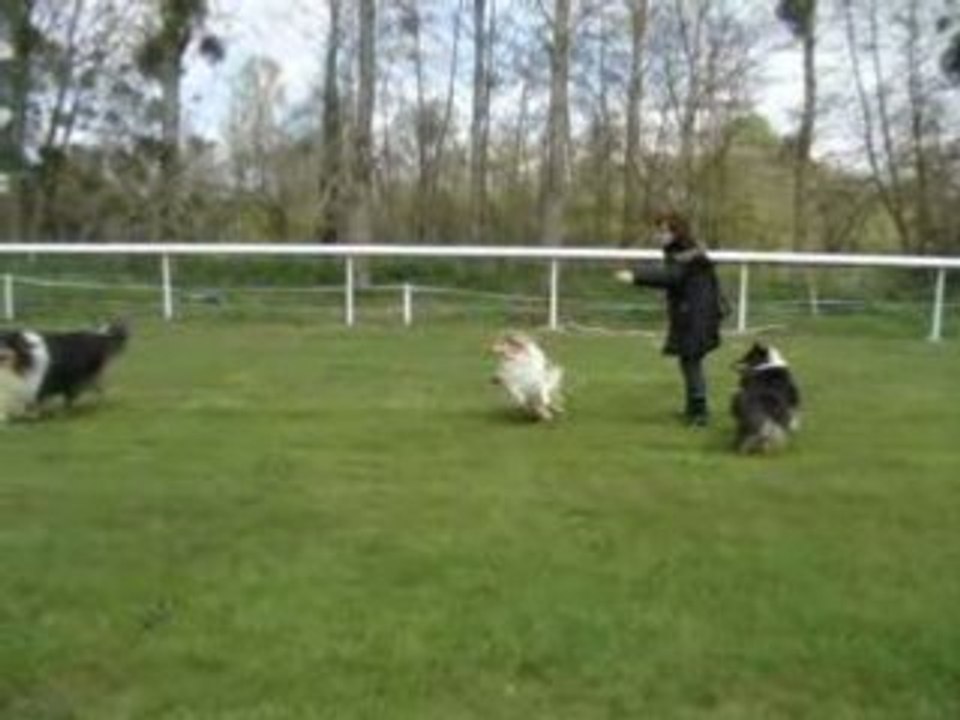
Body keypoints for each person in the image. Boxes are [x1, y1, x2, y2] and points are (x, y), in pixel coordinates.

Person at [615, 212, 727, 426]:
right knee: (689, 361)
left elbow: (672, 277)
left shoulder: (685, 253)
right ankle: (693, 410)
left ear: (676, 231)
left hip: (696, 314)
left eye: (663, 231)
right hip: (695, 312)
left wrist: (635, 276)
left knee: (691, 360)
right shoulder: (684, 250)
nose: (659, 235)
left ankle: (700, 414)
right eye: (659, 230)